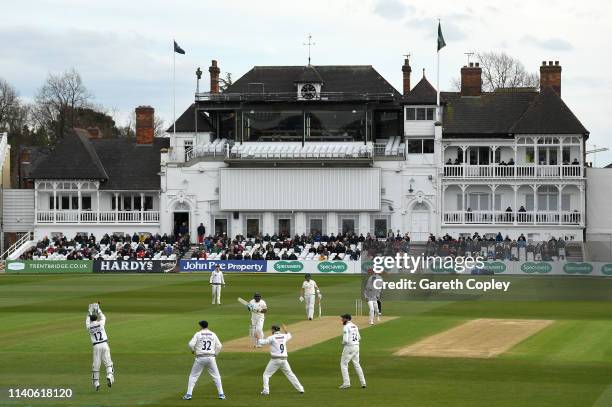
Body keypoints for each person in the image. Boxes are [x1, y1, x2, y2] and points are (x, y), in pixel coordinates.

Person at [183, 320, 225, 400]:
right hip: (211, 358)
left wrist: (192, 350)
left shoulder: (198, 334)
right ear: (207, 326)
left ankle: (189, 394)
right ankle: (221, 394)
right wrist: (215, 354)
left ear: (201, 326)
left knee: (193, 376)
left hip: (200, 358)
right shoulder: (213, 334)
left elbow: (191, 344)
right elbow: (219, 346)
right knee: (216, 376)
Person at [257, 324, 304, 395]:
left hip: (275, 360)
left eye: (271, 329)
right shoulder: (284, 336)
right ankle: (301, 389)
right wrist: (285, 329)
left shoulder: (271, 337)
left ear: (273, 330)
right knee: (290, 374)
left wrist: (257, 338)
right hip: (284, 360)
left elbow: (262, 342)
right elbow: (289, 335)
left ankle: (266, 390)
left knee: (266, 375)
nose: (271, 330)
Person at [85, 302, 114, 391]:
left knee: (96, 365)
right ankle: (109, 375)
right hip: (104, 344)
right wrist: (98, 309)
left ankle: (96, 383)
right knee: (108, 362)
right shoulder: (101, 323)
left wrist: (89, 311)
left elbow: (87, 321)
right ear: (96, 318)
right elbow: (103, 317)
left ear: (91, 319)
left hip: (96, 346)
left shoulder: (89, 327)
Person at [339, 314, 366, 389]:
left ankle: (346, 383)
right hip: (357, 346)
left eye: (343, 319)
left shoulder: (346, 327)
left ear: (347, 319)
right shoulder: (355, 326)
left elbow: (345, 340)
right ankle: (363, 382)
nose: (342, 320)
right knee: (357, 364)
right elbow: (359, 337)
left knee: (343, 364)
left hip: (349, 347)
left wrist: (343, 343)